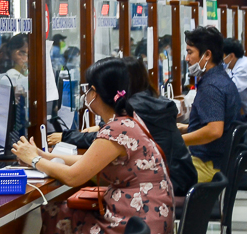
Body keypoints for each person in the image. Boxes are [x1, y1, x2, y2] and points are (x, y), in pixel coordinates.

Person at [10, 57, 174, 234]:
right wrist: (43, 156)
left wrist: (34, 161)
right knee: (56, 214)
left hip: (140, 222)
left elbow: (75, 176)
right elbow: (89, 161)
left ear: (96, 92)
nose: (86, 95)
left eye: (88, 89)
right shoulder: (125, 121)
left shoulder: (116, 129)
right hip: (143, 215)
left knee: (63, 228)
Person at [48, 57, 197, 197]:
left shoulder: (130, 115)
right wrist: (44, 156)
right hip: (174, 179)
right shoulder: (147, 103)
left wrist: (39, 156)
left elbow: (75, 175)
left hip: (160, 192)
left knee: (68, 203)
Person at [178, 26, 241, 182]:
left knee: (151, 175)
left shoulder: (211, 87)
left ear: (207, 55)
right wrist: (187, 128)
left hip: (207, 166)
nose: (187, 58)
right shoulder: (220, 78)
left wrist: (178, 141)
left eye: (190, 52)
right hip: (218, 162)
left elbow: (214, 131)